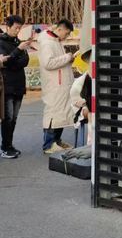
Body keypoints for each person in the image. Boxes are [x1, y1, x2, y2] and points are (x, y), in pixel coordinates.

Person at [38, 19, 78, 154]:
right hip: (54, 85)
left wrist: (68, 58)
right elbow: (48, 63)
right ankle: (49, 145)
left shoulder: (55, 41)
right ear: (60, 29)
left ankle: (56, 141)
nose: (67, 36)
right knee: (53, 114)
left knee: (61, 114)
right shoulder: (47, 42)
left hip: (61, 84)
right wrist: (67, 57)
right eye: (66, 33)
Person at [0, 16, 32, 159]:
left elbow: (25, 60)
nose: (18, 30)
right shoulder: (1, 42)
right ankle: (5, 147)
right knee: (7, 118)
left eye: (20, 28)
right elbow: (6, 63)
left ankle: (9, 145)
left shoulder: (18, 42)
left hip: (19, 84)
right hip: (7, 85)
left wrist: (16, 56)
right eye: (16, 28)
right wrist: (18, 51)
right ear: (8, 26)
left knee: (14, 118)